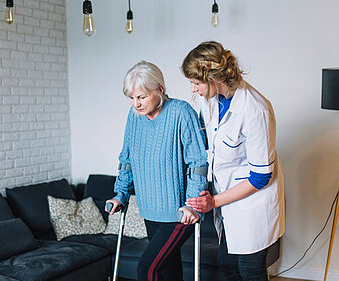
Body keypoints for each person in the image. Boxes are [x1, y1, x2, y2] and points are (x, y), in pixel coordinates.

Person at [181, 41, 285, 281]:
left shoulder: (255, 109)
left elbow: (260, 177)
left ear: (214, 77)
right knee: (227, 264)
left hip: (253, 203)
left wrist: (214, 201)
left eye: (196, 83)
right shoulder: (209, 100)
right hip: (227, 200)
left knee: (249, 269)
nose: (193, 90)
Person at [105, 60, 208, 281]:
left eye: (142, 97)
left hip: (180, 214)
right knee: (169, 270)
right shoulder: (134, 118)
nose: (136, 104)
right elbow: (127, 160)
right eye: (131, 98)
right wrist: (120, 194)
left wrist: (193, 204)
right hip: (149, 209)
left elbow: (197, 162)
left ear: (159, 89)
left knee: (148, 269)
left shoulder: (181, 112)